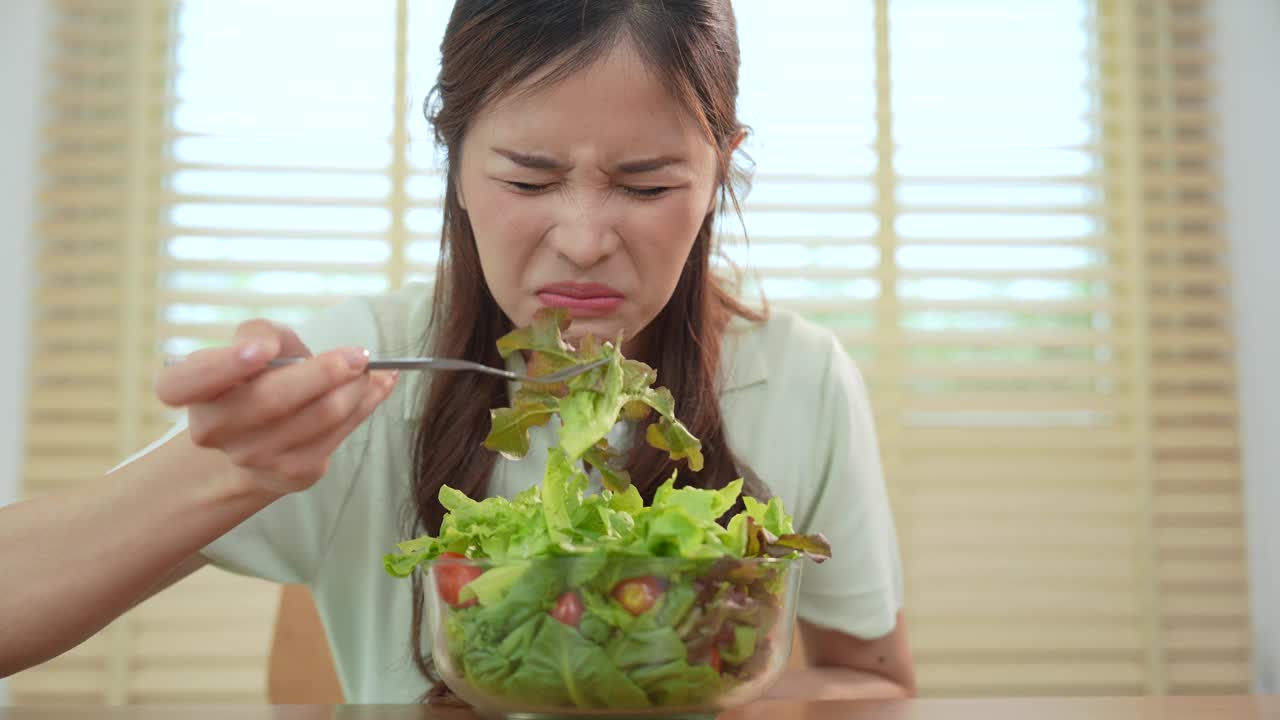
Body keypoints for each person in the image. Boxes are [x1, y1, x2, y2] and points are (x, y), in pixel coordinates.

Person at [0, 0, 915, 703]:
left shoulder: (799, 379)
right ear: (456, 163)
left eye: (646, 185)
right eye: (529, 177)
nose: (586, 238)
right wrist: (229, 471)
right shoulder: (369, 371)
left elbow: (875, 682)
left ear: (721, 169)